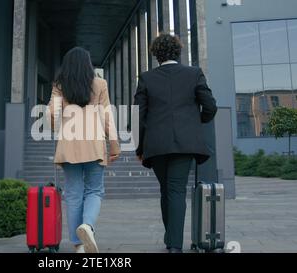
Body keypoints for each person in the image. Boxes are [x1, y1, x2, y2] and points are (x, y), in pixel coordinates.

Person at [134, 33, 217, 253]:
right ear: (178, 52)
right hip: (185, 143)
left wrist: (140, 147)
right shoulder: (194, 74)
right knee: (176, 190)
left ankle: (172, 240)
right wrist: (194, 123)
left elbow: (137, 117)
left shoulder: (146, 78)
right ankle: (174, 245)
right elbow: (210, 107)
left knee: (167, 190)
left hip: (157, 144)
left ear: (156, 54)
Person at [48, 47, 121, 253]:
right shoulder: (99, 84)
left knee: (73, 193)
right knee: (95, 190)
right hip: (94, 144)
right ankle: (87, 226)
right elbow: (107, 117)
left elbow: (52, 112)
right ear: (88, 65)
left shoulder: (60, 85)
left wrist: (58, 124)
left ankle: (78, 244)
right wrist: (114, 144)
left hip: (69, 144)